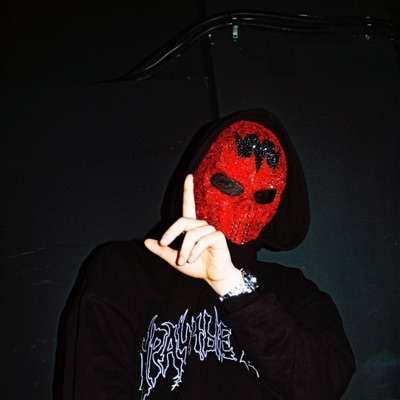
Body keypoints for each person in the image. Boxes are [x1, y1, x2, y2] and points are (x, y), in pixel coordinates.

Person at [61, 109, 355, 399]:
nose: (245, 207)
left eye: (263, 194)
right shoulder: (125, 271)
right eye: (228, 184)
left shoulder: (295, 293)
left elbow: (324, 384)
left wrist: (234, 287)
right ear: (198, 174)